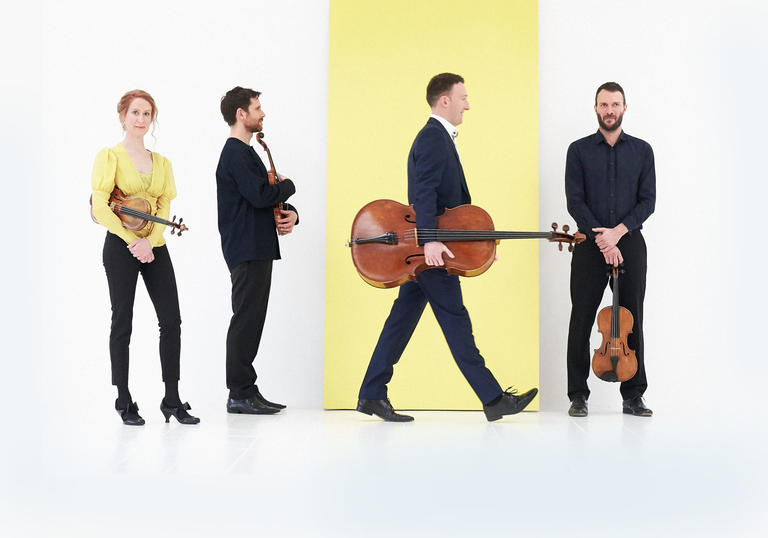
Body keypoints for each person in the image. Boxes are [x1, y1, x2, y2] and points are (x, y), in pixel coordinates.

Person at [356, 73, 538, 422]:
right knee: (456, 321)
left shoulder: (439, 137)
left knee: (400, 323)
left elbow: (451, 209)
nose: (468, 104)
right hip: (432, 254)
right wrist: (430, 241)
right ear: (445, 101)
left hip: (432, 251)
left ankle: (371, 393)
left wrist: (480, 245)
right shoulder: (433, 138)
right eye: (463, 97)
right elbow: (423, 193)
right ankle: (494, 398)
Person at [91, 89, 199, 426]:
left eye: (147, 114)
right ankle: (123, 398)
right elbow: (100, 207)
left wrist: (151, 241)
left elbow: (164, 207)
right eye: (135, 113)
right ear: (123, 116)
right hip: (120, 246)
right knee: (122, 321)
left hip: (154, 246)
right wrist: (131, 241)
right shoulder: (109, 156)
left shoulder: (163, 163)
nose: (141, 119)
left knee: (171, 321)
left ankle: (172, 399)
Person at [564, 81, 656, 417]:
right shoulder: (578, 150)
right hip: (590, 244)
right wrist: (603, 240)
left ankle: (633, 395)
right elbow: (576, 201)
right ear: (595, 108)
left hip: (629, 241)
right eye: (604, 105)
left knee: (632, 319)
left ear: (624, 108)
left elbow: (649, 201)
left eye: (615, 104)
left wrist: (617, 233)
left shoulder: (643, 151)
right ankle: (578, 395)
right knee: (582, 318)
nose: (609, 110)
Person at [216, 86, 298, 415]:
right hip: (246, 248)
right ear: (241, 114)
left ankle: (247, 390)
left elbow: (263, 198)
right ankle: (239, 393)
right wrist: (288, 184)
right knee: (246, 320)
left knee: (252, 320)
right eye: (257, 108)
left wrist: (291, 211)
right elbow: (261, 195)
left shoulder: (246, 152)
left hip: (256, 246)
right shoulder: (235, 152)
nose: (262, 113)